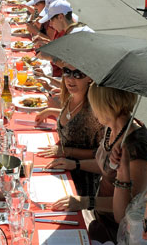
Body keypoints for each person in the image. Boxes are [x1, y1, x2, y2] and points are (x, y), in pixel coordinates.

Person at [47, 84, 147, 244]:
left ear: (106, 105)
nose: (92, 110)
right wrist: (75, 164)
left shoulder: (137, 147)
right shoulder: (112, 127)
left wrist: (85, 202)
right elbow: (105, 167)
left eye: (93, 104)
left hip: (118, 233)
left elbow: (129, 206)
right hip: (99, 216)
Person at [35, 65, 104, 198]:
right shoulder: (70, 97)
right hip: (60, 168)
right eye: (67, 72)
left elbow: (100, 155)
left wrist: (66, 151)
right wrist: (51, 111)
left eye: (78, 74)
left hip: (79, 182)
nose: (71, 78)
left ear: (90, 78)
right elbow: (71, 120)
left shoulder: (94, 111)